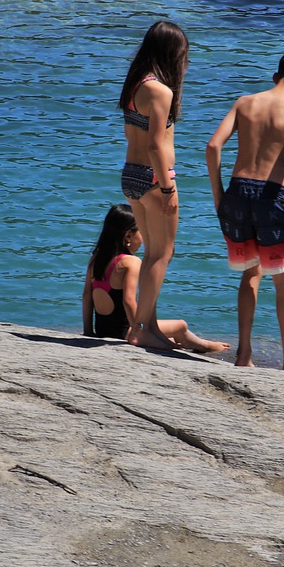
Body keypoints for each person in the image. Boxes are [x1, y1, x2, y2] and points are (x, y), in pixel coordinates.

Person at [205, 48, 284, 375]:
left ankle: (244, 354)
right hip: (272, 195)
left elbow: (213, 146)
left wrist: (218, 195)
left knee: (250, 273)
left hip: (237, 193)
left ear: (276, 76)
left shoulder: (245, 102)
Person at [118, 20, 188, 350]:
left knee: (150, 255)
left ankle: (151, 326)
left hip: (130, 174)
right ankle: (141, 329)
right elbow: (156, 145)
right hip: (154, 177)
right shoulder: (161, 90)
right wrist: (167, 189)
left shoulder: (135, 84)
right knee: (162, 253)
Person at [82, 203, 229, 353]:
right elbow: (128, 301)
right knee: (181, 326)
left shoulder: (95, 260)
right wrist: (137, 331)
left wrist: (88, 331)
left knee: (169, 339)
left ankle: (183, 343)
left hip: (102, 330)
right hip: (125, 331)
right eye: (142, 232)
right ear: (128, 235)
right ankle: (205, 346)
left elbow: (87, 296)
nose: (144, 238)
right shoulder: (130, 262)